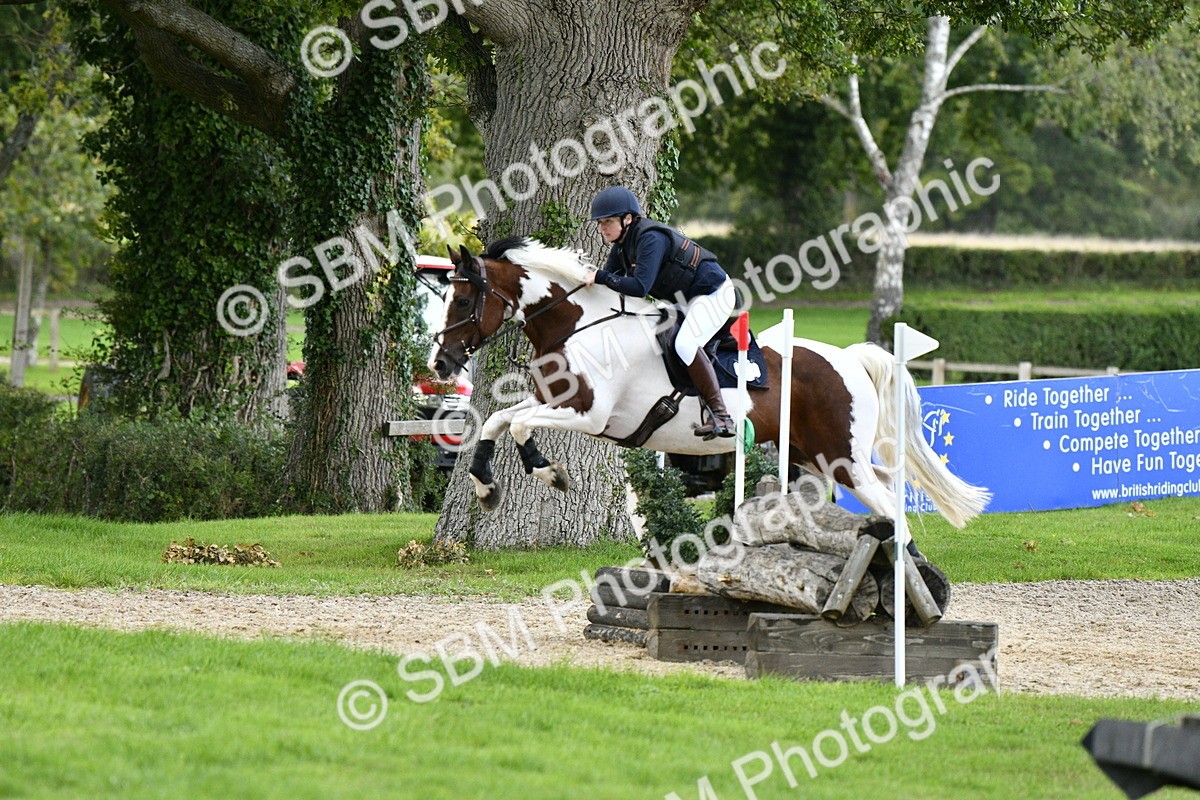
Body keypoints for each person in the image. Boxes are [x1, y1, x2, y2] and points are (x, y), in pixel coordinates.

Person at [581, 186, 736, 439]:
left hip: (712, 293)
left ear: (628, 218)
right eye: (600, 223)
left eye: (608, 221)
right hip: (682, 300)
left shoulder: (649, 238)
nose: (603, 228)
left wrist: (599, 276)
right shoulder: (622, 245)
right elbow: (610, 281)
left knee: (685, 344)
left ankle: (721, 415)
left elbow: (639, 287)